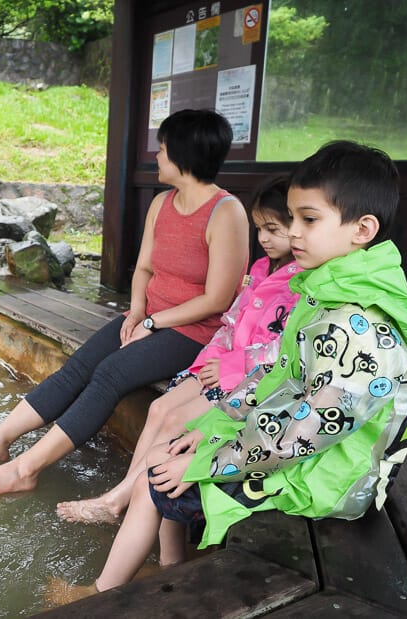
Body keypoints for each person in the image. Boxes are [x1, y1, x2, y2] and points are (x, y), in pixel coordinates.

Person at [53, 140, 407, 599]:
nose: (294, 233)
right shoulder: (327, 294)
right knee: (167, 454)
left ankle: (100, 594)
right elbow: (280, 375)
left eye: (309, 220)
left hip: (332, 474)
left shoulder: (354, 320)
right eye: (292, 218)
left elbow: (307, 431)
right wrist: (220, 422)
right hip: (299, 446)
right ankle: (170, 570)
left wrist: (214, 454)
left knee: (161, 475)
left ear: (362, 229)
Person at [0, 109, 249, 495]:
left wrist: (153, 325)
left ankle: (28, 468)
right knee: (78, 368)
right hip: (149, 317)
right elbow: (143, 269)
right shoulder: (162, 204)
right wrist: (139, 312)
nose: (156, 157)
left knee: (110, 374)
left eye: (161, 149)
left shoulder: (227, 212)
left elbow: (217, 299)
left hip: (193, 331)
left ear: (182, 154)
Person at [56, 175, 302, 525]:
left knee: (172, 419)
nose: (263, 238)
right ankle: (126, 490)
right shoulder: (262, 269)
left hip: (245, 379)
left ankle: (116, 500)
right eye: (260, 228)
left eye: (274, 229)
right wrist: (212, 357)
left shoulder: (298, 282)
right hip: (218, 364)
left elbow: (283, 347)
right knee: (158, 409)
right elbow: (231, 321)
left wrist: (229, 366)